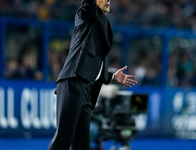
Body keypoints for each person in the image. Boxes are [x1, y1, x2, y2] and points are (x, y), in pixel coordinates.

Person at [47, 0, 137, 150]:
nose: (108, 0)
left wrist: (112, 76)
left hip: (86, 88)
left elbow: (93, 64)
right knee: (63, 139)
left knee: (82, 143)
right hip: (74, 82)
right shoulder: (88, 13)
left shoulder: (101, 22)